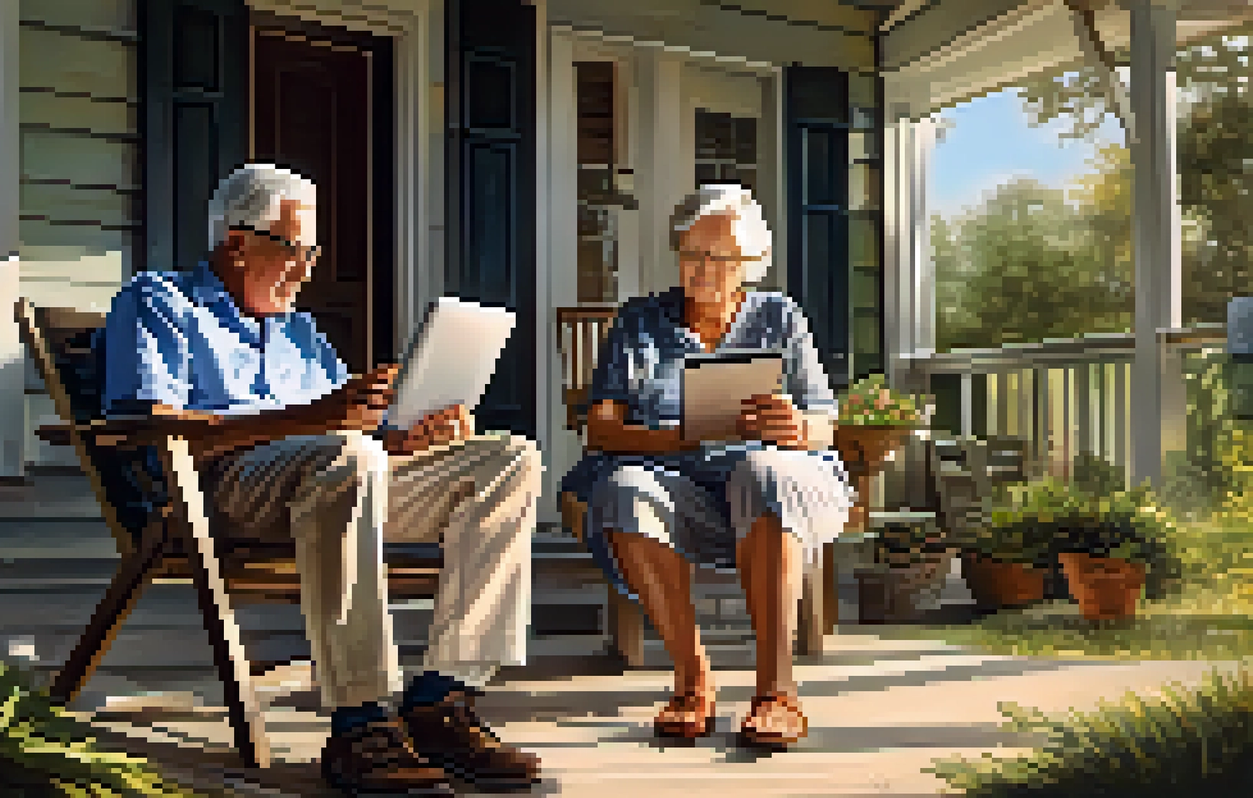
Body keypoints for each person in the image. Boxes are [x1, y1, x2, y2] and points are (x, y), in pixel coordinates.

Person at [99, 163, 544, 795]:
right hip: (216, 491)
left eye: (314, 253)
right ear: (236, 241)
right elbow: (151, 420)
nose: (308, 269)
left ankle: (442, 701)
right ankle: (360, 720)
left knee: (508, 459)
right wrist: (326, 421)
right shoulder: (160, 301)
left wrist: (411, 436)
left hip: (333, 486)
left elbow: (355, 436)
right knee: (347, 456)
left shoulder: (300, 333)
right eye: (294, 250)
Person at [560, 184, 854, 747]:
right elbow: (600, 427)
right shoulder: (641, 320)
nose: (703, 268)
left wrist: (798, 428)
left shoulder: (780, 316)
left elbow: (824, 421)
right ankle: (693, 680)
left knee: (764, 474)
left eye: (719, 257)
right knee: (622, 489)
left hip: (766, 479)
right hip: (672, 476)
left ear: (752, 263)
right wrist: (679, 438)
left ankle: (776, 692)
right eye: (692, 253)